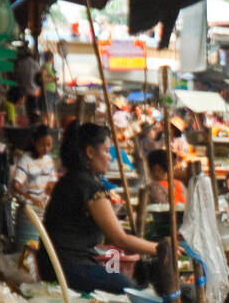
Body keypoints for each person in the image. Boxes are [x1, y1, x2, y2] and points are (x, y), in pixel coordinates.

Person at [39, 121, 161, 294]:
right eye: (106, 151)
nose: (110, 157)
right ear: (90, 152)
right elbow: (120, 240)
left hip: (53, 264)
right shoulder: (87, 186)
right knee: (129, 289)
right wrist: (160, 249)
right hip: (67, 268)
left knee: (121, 279)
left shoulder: (71, 179)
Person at [11, 124, 57, 244]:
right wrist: (31, 198)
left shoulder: (48, 160)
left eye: (49, 145)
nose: (46, 149)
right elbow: (15, 186)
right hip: (28, 213)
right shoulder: (25, 160)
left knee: (40, 247)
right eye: (42, 144)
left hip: (43, 212)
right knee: (26, 248)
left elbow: (51, 184)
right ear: (34, 142)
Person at [40, 51, 59, 127]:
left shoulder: (49, 67)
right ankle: (48, 128)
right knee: (48, 112)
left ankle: (49, 128)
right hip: (47, 91)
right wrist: (53, 79)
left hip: (52, 92)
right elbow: (43, 79)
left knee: (50, 112)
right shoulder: (45, 67)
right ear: (51, 58)